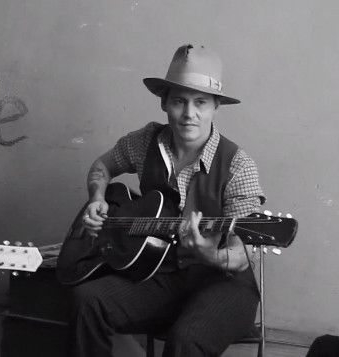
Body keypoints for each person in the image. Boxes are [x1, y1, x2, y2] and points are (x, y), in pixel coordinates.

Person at [72, 44, 266, 357]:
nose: (189, 114)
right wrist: (97, 197)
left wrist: (209, 255)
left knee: (187, 338)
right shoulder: (144, 141)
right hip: (161, 276)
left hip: (223, 283)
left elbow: (245, 254)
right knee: (87, 300)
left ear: (216, 106)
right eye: (179, 101)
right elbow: (102, 167)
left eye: (200, 102)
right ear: (164, 103)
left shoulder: (237, 164)